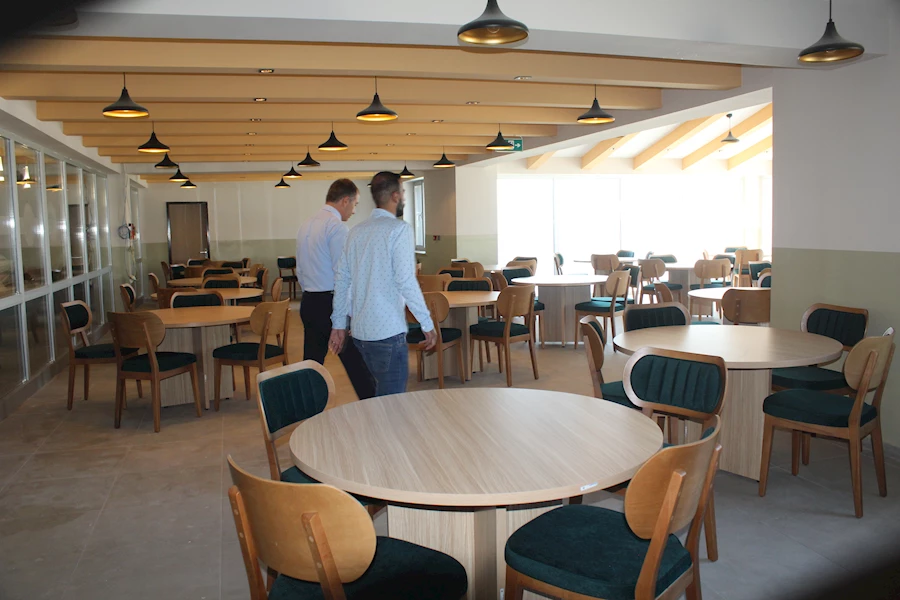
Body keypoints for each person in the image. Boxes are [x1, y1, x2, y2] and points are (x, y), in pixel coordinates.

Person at [329, 172, 436, 396]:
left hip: (360, 334)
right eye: (403, 192)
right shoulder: (399, 230)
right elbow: (405, 281)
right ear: (395, 196)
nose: (404, 197)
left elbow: (342, 280)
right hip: (388, 333)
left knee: (377, 400)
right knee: (392, 405)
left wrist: (339, 324)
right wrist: (426, 323)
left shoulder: (355, 232)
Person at [296, 179, 376, 399]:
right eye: (355, 204)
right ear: (345, 200)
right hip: (331, 304)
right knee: (358, 366)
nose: (354, 210)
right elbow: (343, 276)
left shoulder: (306, 225)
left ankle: (307, 408)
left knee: (312, 365)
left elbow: (300, 270)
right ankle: (376, 408)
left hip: (309, 302)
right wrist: (348, 315)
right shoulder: (336, 227)